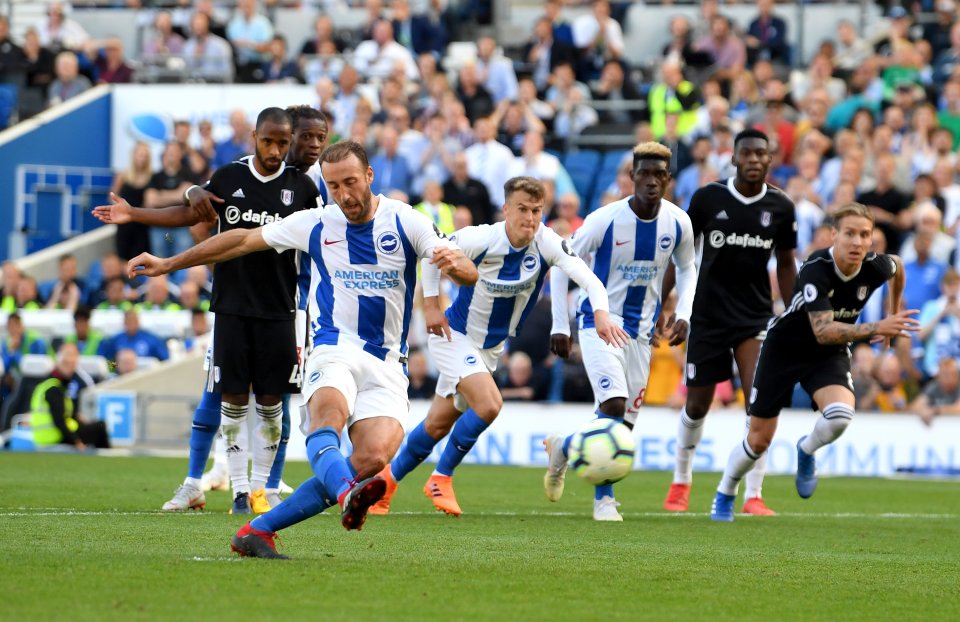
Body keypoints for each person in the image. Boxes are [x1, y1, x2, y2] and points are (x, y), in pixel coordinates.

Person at [125, 140, 478, 559]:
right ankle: (348, 494)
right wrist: (169, 264)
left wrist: (462, 270)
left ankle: (258, 530)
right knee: (326, 419)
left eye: (351, 182)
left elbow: (464, 267)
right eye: (333, 186)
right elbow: (239, 241)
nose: (344, 195)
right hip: (333, 347)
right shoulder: (316, 223)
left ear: (369, 176)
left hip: (387, 363)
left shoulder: (406, 221)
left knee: (373, 457)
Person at [93, 108, 319, 515]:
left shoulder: (303, 188)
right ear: (254, 137)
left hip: (281, 309)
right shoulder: (230, 177)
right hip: (230, 306)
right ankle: (234, 489)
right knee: (229, 398)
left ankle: (262, 492)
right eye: (269, 141)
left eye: (283, 143)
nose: (275, 150)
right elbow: (190, 213)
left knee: (272, 402)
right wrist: (137, 213)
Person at [369, 176, 626, 516]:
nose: (530, 218)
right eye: (522, 209)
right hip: (453, 336)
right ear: (506, 209)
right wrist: (431, 306)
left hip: (489, 349)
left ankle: (382, 488)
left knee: (437, 425)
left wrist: (602, 314)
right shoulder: (481, 238)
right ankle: (441, 478)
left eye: (536, 210)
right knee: (489, 405)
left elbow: (590, 280)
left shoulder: (547, 243)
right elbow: (433, 257)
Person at [710, 203, 918, 521]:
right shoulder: (816, 268)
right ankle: (725, 493)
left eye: (865, 235)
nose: (858, 242)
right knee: (758, 439)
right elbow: (823, 331)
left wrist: (892, 312)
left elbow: (898, 267)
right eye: (850, 233)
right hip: (784, 349)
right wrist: (878, 327)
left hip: (827, 354)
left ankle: (806, 449)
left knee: (840, 416)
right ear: (834, 235)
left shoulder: (876, 267)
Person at [544, 142, 698, 521]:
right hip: (599, 325)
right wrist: (560, 324)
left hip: (642, 336)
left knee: (623, 428)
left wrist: (684, 312)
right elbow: (562, 263)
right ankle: (604, 502)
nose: (651, 181)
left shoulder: (678, 222)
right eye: (643, 173)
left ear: (668, 179)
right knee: (613, 406)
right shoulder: (603, 220)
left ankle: (563, 448)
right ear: (631, 177)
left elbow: (689, 267)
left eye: (658, 174)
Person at [662, 128, 797, 516]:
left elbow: (786, 264)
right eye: (748, 153)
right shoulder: (708, 198)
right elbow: (682, 254)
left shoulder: (781, 207)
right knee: (698, 404)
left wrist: (796, 315)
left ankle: (754, 493)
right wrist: (666, 302)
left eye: (762, 153)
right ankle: (681, 480)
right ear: (734, 159)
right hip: (706, 317)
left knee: (761, 402)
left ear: (770, 160)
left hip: (754, 317)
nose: (755, 159)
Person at [31, 343, 110, 450]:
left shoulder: (46, 384)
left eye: (72, 363)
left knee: (91, 426)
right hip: (56, 437)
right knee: (100, 426)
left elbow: (62, 413)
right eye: (66, 363)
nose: (70, 367)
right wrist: (76, 442)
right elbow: (60, 421)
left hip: (43, 437)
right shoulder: (54, 388)